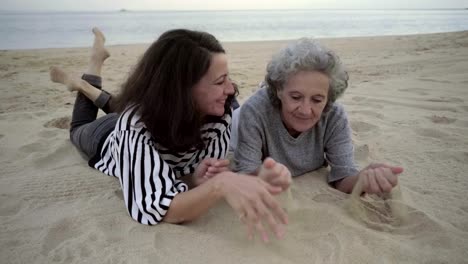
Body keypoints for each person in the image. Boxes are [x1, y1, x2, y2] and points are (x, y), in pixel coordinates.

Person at [49, 28, 290, 242]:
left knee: (132, 106)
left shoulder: (218, 110)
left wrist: (202, 178)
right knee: (78, 127)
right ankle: (93, 66)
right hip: (107, 138)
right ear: (181, 90)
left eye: (228, 78)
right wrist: (219, 184)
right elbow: (156, 209)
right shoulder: (134, 128)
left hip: (163, 116)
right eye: (219, 82)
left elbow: (192, 175)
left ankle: (89, 85)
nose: (230, 90)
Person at [232, 38, 403, 195]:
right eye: (296, 97)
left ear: (329, 98)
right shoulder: (254, 111)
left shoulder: (334, 116)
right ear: (279, 90)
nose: (306, 110)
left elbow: (343, 179)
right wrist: (261, 175)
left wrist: (363, 179)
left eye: (317, 99)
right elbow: (245, 172)